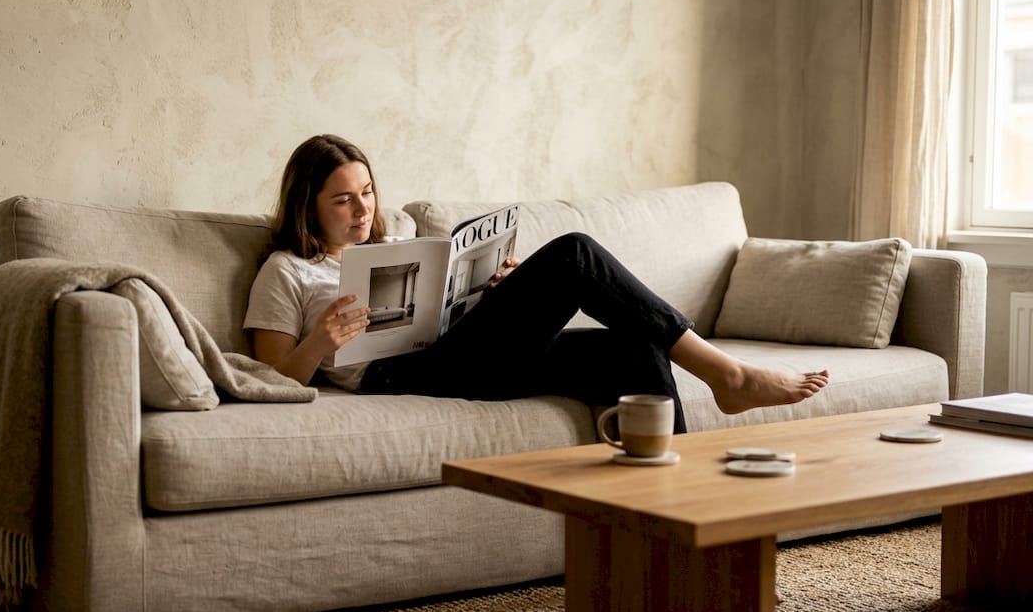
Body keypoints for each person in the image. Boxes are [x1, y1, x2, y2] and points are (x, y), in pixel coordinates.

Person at [243, 134, 829, 433]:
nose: (362, 209)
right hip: (396, 374)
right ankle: (727, 374)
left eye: (367, 192)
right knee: (574, 255)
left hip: (461, 351)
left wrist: (489, 295)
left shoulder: (396, 248)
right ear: (308, 205)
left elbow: (443, 316)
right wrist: (320, 342)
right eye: (342, 200)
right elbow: (271, 380)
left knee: (635, 347)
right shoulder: (287, 270)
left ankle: (691, 530)